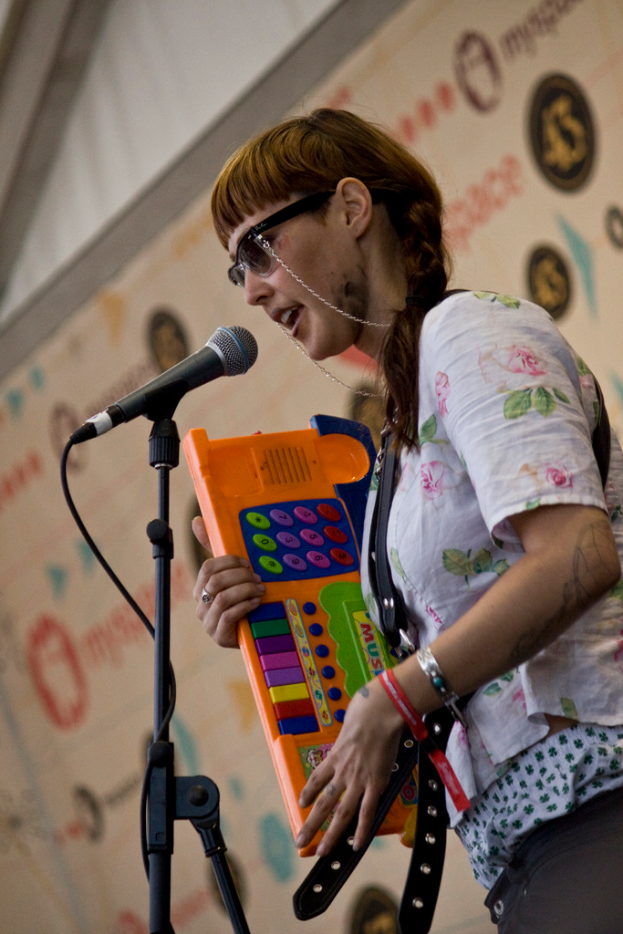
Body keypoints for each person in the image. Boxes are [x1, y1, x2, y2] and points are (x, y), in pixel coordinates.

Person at [191, 109, 623, 932]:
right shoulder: (404, 409)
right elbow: (449, 634)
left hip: (598, 802)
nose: (249, 288)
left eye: (259, 247)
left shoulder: (468, 333)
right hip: (536, 846)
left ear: (351, 208)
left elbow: (576, 551)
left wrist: (393, 696)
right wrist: (275, 615)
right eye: (234, 269)